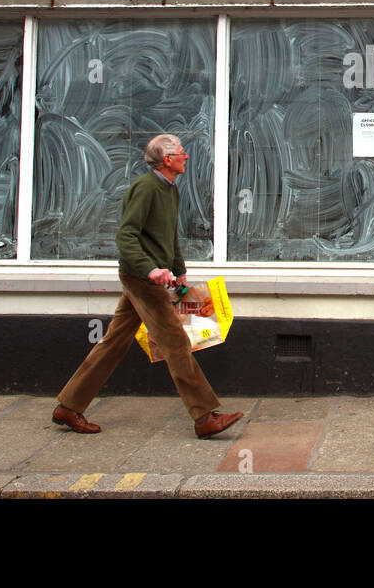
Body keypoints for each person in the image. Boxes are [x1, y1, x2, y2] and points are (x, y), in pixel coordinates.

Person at [52, 133, 244, 439]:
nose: (187, 157)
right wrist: (151, 270)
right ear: (167, 160)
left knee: (113, 342)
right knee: (176, 343)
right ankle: (204, 417)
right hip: (141, 279)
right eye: (182, 153)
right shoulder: (145, 189)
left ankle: (69, 406)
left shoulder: (170, 189)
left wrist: (179, 270)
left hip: (148, 277)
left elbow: (168, 236)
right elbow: (126, 237)